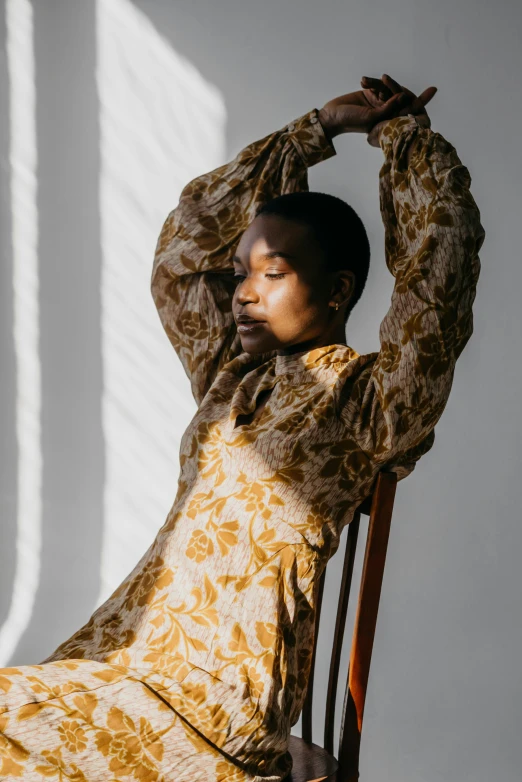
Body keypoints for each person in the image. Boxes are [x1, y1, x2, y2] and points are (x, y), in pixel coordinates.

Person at [0, 73, 485, 781]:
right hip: (132, 661)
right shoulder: (231, 376)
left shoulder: (368, 400)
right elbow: (183, 249)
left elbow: (439, 277)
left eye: (273, 273)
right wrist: (316, 128)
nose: (245, 293)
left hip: (215, 706)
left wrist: (402, 138)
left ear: (339, 290)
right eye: (239, 275)